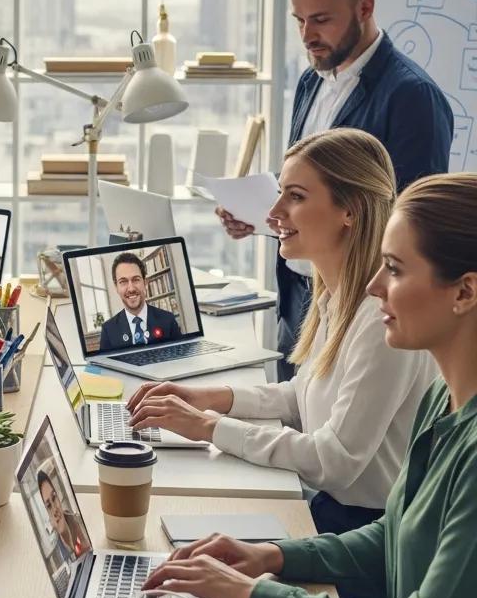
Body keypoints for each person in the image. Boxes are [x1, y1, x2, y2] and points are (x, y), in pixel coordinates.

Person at [143, 173, 477, 598]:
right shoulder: (444, 403)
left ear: (464, 292)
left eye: (396, 270)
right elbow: (388, 536)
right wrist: (270, 557)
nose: (375, 286)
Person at [129, 128, 436, 542]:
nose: (273, 212)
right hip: (330, 510)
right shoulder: (336, 294)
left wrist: (209, 427)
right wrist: (209, 398)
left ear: (350, 211)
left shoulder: (380, 319)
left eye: (295, 196)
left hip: (363, 534)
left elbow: (334, 459)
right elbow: (304, 397)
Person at [217, 0, 453, 381]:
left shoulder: (412, 97)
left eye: (321, 20)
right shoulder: (311, 80)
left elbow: (412, 221)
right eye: (299, 21)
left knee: (334, 438)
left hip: (360, 304)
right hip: (299, 294)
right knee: (292, 421)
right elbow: (309, 186)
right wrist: (261, 215)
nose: (307, 35)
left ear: (365, 8)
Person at [98, 251, 182, 350]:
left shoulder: (168, 320)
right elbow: (105, 365)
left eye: (136, 279)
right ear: (116, 287)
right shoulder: (108, 330)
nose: (131, 289)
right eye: (123, 282)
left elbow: (181, 358)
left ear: (145, 282)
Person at [38, 469, 90, 561]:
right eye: (49, 506)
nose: (55, 509)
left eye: (54, 497)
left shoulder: (76, 521)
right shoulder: (56, 554)